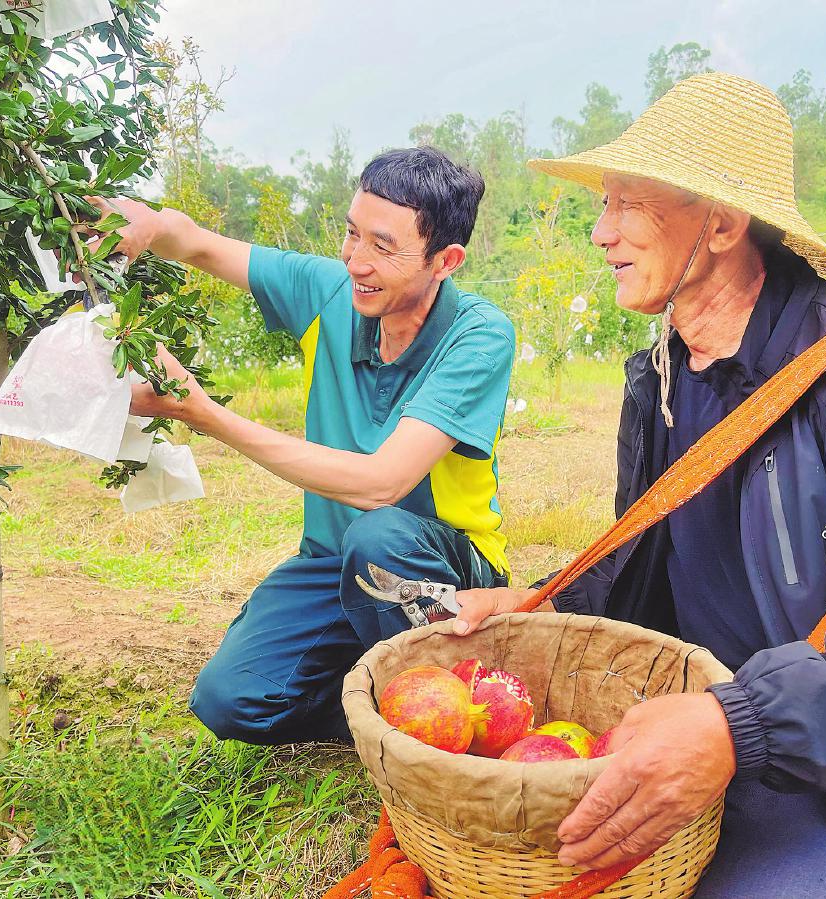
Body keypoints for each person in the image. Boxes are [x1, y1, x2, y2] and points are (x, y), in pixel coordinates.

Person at [452, 73, 826, 899]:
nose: (602, 232)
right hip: (700, 725)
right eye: (604, 203)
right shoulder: (660, 375)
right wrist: (543, 602)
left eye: (628, 203)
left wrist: (736, 724)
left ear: (720, 223)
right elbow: (648, 566)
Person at [97, 146, 515, 744]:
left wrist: (203, 413)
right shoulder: (329, 295)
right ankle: (383, 706)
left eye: (383, 246)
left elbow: (383, 483)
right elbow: (197, 244)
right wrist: (149, 224)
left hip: (442, 563)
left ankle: (452, 703)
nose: (356, 260)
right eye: (352, 233)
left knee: (379, 534)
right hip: (332, 560)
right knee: (230, 702)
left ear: (444, 261)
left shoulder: (478, 334)